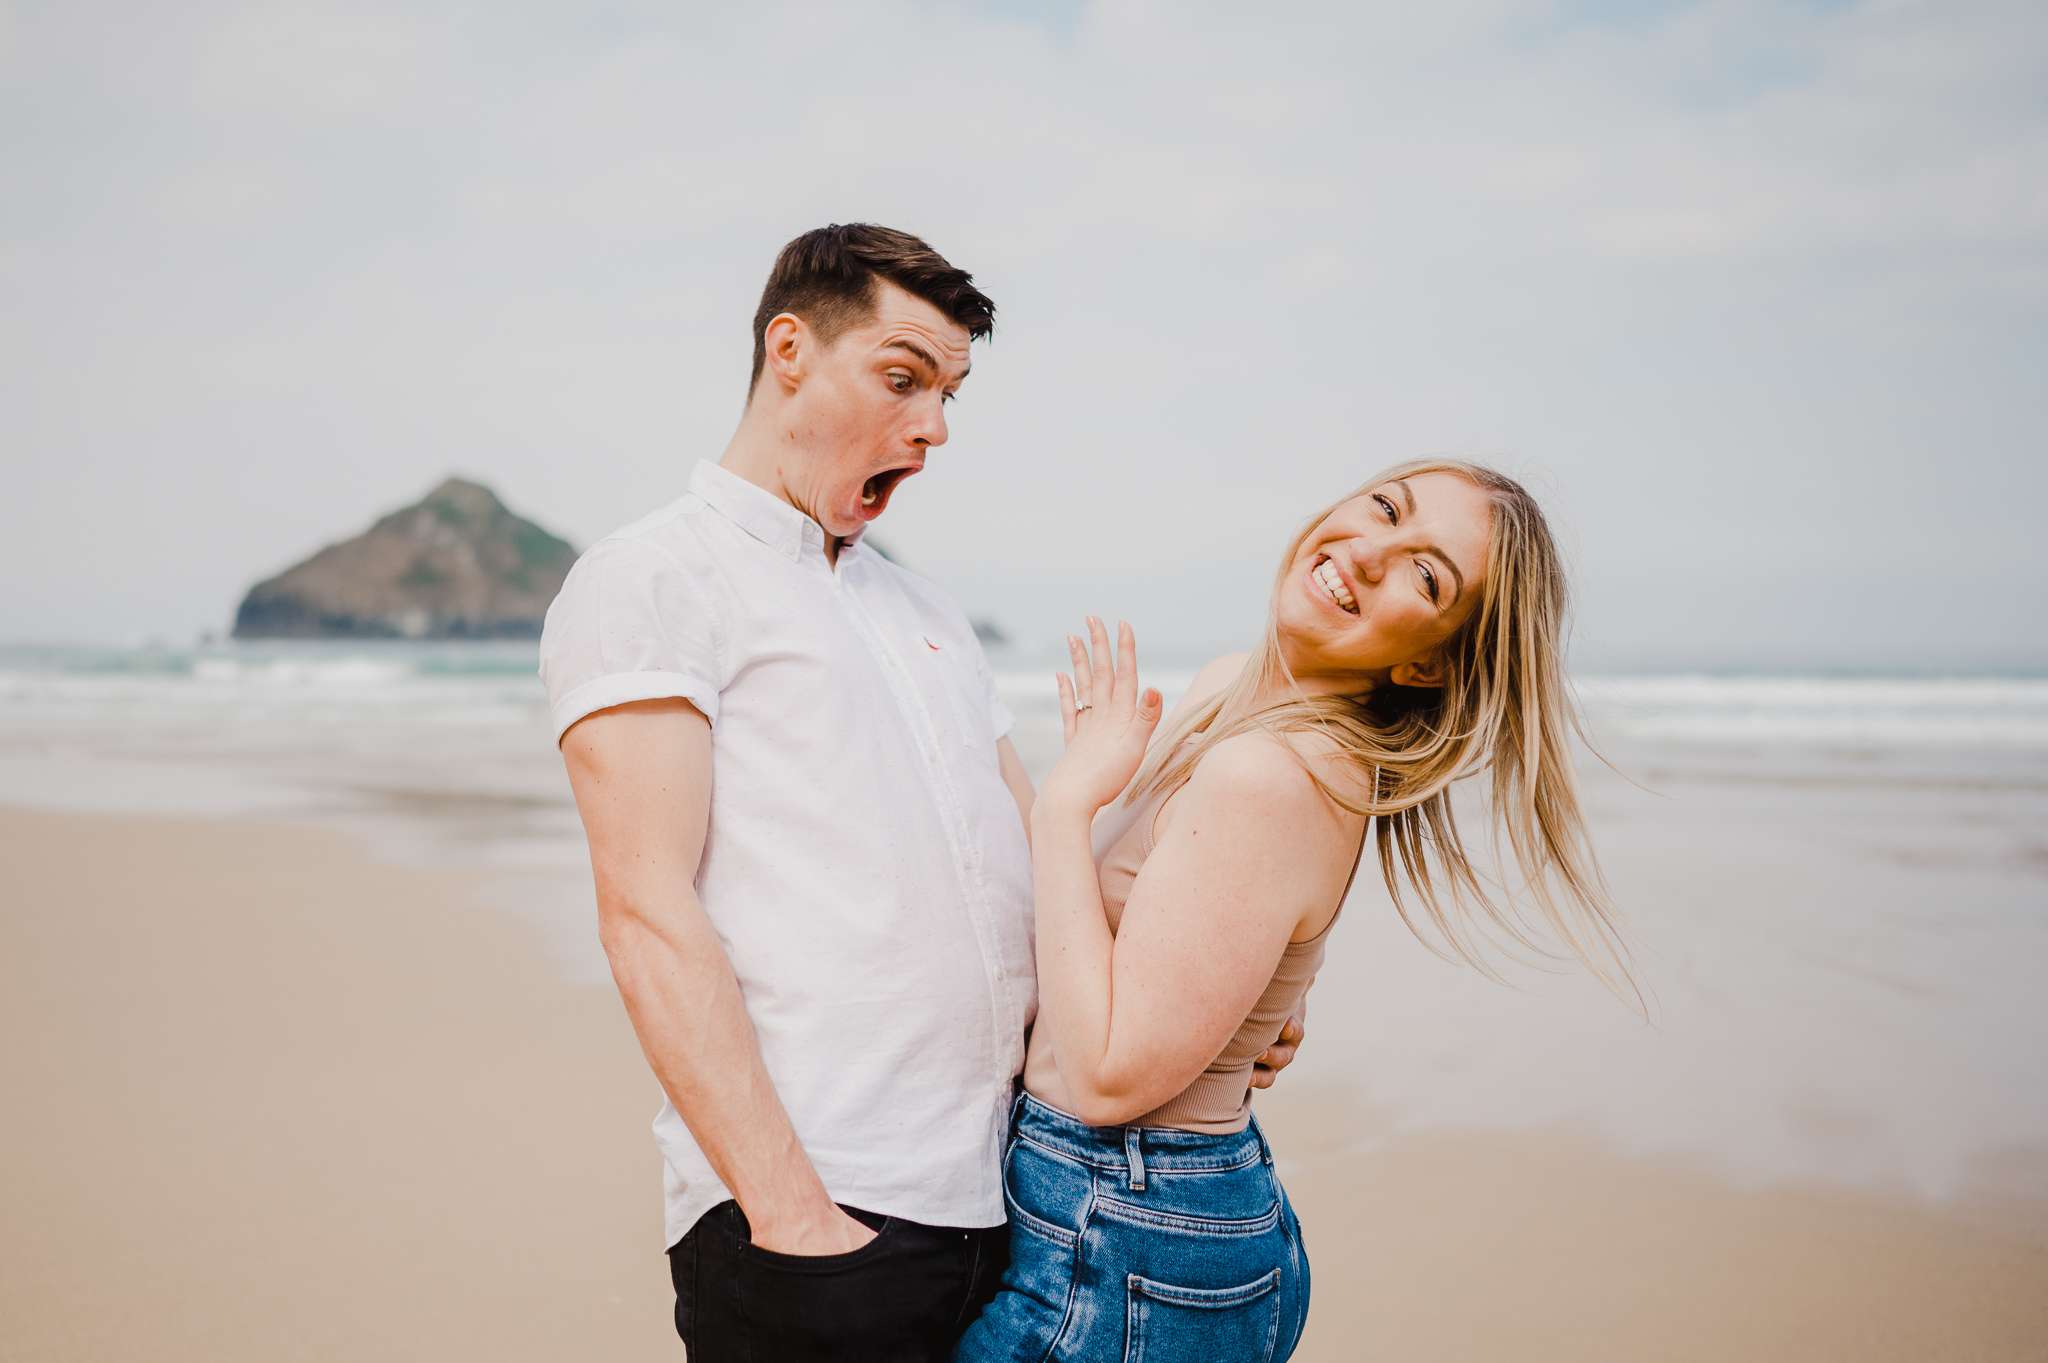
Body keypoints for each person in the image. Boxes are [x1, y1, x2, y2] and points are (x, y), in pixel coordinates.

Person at [537, 223, 1305, 1362]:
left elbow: (1021, 878)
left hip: (1014, 1199)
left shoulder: (926, 614)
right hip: (820, 1215)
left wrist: (1205, 1001)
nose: (933, 428)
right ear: (787, 349)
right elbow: (647, 913)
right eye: (901, 378)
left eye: (948, 392)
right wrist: (791, 1214)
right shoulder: (653, 576)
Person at [953, 462, 1637, 1363]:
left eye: (1424, 575)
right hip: (1144, 1219)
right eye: (1385, 508)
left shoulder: (1272, 773)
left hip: (1125, 1229)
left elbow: (1108, 1077)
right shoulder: (1227, 689)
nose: (1367, 552)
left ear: (1426, 658)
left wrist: (1063, 809)